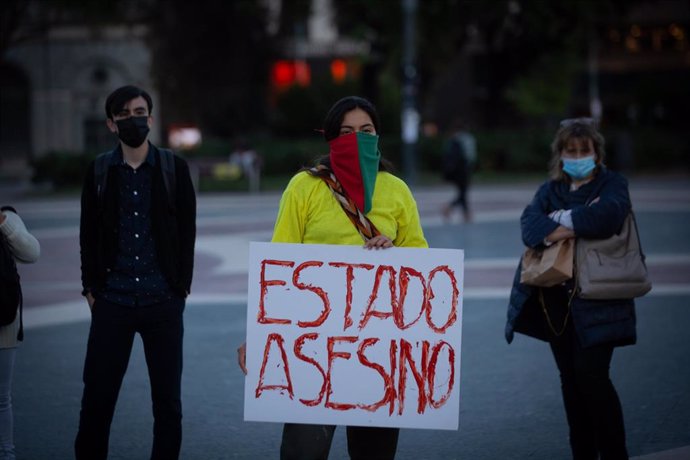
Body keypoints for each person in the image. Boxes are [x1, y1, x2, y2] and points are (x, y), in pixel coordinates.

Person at [237, 96, 428, 460]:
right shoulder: (303, 187)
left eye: (366, 131)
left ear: (378, 135)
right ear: (330, 138)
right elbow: (280, 262)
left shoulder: (397, 190)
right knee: (303, 451)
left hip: (377, 346)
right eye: (347, 132)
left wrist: (395, 253)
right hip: (312, 350)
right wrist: (259, 333)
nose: (358, 138)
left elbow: (420, 264)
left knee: (374, 453)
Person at [75, 85, 196, 460]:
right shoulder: (99, 171)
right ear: (112, 124)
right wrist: (92, 290)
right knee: (97, 402)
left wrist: (181, 289)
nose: (134, 119)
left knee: (168, 406)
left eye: (140, 111)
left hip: (163, 301)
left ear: (151, 118)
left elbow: (187, 232)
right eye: (124, 114)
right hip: (113, 301)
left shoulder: (173, 169)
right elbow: (88, 235)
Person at [505, 118, 634, 459]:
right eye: (570, 150)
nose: (577, 156)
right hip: (556, 302)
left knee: (592, 376)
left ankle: (614, 453)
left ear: (597, 153)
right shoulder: (549, 189)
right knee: (570, 382)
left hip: (601, 296)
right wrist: (576, 222)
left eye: (584, 150)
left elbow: (608, 217)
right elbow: (530, 227)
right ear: (560, 154)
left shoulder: (613, 183)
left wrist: (558, 221)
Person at [0, 206, 40, 460]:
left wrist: (2, 221)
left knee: (1, 399)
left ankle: (6, 453)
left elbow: (32, 252)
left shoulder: (7, 218)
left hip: (3, 325)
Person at [441, 119, 476, 223]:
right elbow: (469, 156)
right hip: (463, 170)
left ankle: (464, 213)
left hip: (457, 171)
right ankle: (450, 208)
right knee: (463, 192)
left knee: (463, 192)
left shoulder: (454, 139)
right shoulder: (466, 139)